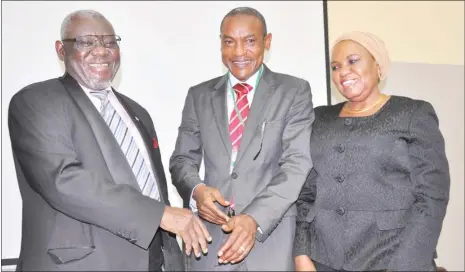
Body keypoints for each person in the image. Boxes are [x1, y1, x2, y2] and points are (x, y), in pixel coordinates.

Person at [8, 9, 211, 271]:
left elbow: (154, 189)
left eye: (109, 42)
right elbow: (64, 181)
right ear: (61, 50)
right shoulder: (38, 101)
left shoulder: (138, 113)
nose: (101, 50)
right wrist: (159, 215)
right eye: (86, 42)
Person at [169, 6, 314, 271]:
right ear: (220, 44)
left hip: (271, 241)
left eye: (249, 41)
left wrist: (254, 219)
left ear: (266, 42)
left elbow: (296, 165)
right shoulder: (198, 96)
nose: (238, 52)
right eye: (229, 42)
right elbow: (181, 161)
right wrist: (197, 191)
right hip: (209, 242)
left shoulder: (293, 91)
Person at [294, 31, 450, 271]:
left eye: (352, 61)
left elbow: (431, 198)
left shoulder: (412, 113)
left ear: (377, 65)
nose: (343, 71)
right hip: (322, 261)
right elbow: (306, 194)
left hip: (391, 260)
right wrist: (302, 253)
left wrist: (407, 265)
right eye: (335, 67)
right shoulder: (320, 118)